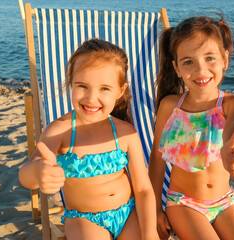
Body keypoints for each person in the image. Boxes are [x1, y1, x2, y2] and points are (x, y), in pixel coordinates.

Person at [19, 39, 159, 240]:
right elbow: (26, 174)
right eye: (83, 86)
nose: (92, 98)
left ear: (120, 91)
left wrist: (149, 233)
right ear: (71, 83)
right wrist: (37, 171)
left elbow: (144, 189)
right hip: (84, 219)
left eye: (104, 89)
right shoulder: (60, 130)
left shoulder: (125, 133)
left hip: (129, 214)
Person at [148, 14, 234, 240]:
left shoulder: (233, 105)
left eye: (209, 58)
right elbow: (157, 160)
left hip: (224, 202)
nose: (200, 69)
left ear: (225, 59)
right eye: (188, 62)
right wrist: (155, 209)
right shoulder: (170, 106)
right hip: (183, 203)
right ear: (177, 68)